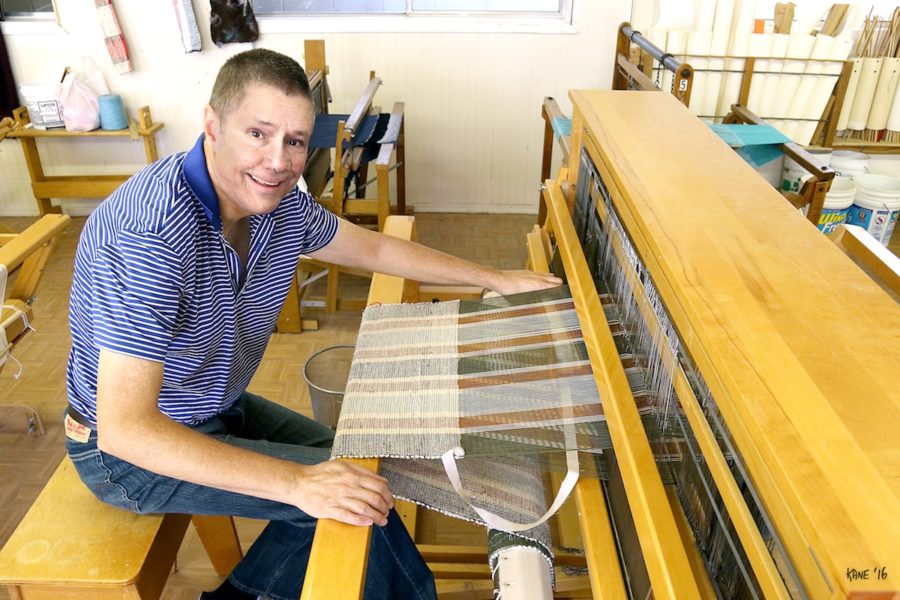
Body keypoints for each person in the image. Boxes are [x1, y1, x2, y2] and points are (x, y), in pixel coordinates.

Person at [64, 48, 561, 600]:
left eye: (295, 141)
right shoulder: (149, 238)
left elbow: (367, 247)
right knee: (354, 505)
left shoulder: (275, 205)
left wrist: (492, 278)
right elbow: (127, 429)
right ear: (211, 124)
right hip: (121, 455)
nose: (278, 160)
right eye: (258, 133)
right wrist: (298, 483)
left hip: (213, 408)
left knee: (359, 483)